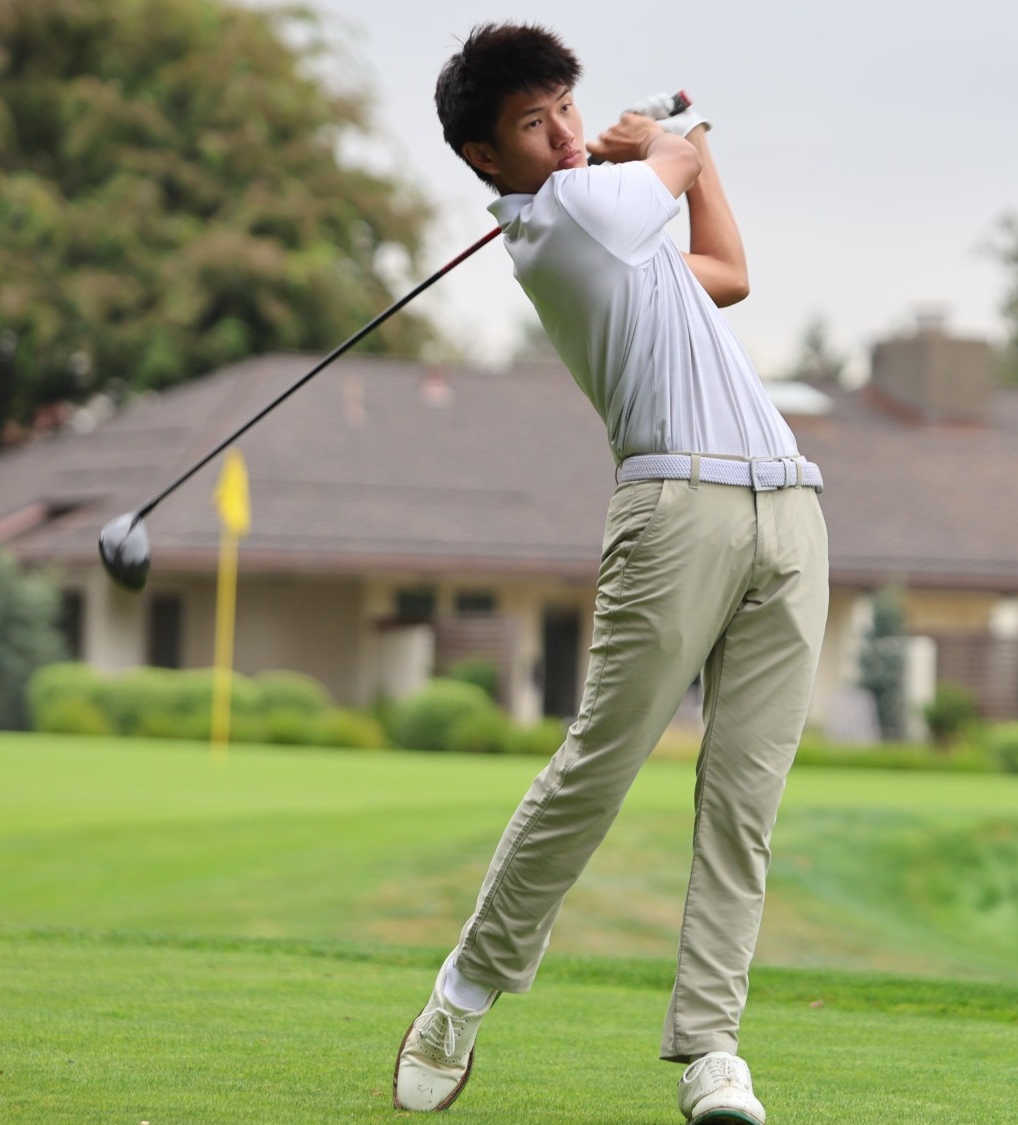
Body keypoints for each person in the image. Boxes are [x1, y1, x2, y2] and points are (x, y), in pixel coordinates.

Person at [393, 23, 829, 1125]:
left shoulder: (611, 218)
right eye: (532, 124)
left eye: (566, 111)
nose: (562, 135)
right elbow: (664, 171)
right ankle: (463, 991)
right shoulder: (566, 217)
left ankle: (712, 1053)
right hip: (674, 510)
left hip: (789, 506)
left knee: (745, 799)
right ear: (486, 158)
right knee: (599, 767)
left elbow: (727, 274)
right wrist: (664, 143)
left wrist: (688, 147)